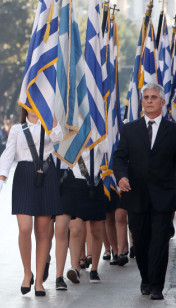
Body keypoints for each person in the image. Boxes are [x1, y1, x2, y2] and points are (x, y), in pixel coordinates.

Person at [113, 83, 176, 300]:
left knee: (159, 241)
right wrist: (121, 176)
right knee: (140, 241)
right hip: (136, 194)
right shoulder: (130, 129)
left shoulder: (173, 130)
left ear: (162, 102)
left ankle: (157, 286)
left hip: (164, 196)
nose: (149, 100)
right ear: (142, 102)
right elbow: (120, 157)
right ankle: (146, 279)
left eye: (153, 97)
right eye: (146, 97)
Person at [0, 108, 63, 297]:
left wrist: (51, 115)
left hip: (46, 174)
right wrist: (1, 178)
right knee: (25, 229)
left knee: (42, 232)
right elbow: (8, 153)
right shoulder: (17, 129)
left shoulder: (49, 126)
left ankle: (39, 281)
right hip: (24, 175)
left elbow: (58, 137)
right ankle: (27, 272)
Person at [57, 147, 107, 289]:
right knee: (75, 228)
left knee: (96, 230)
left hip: (95, 182)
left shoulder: (98, 129)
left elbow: (107, 146)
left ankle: (94, 269)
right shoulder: (74, 131)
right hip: (75, 182)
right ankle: (75, 267)